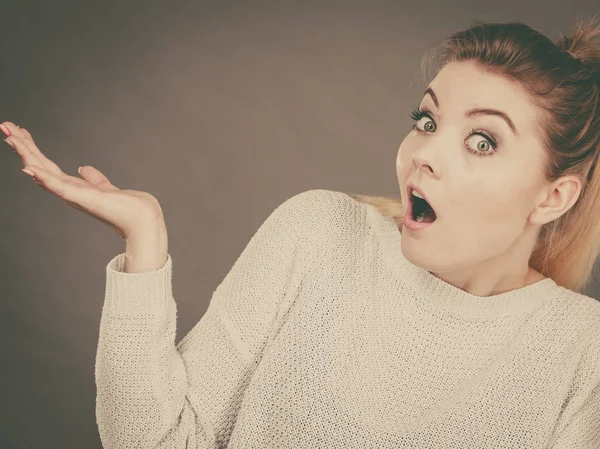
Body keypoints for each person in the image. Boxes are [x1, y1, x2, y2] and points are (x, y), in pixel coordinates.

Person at [4, 15, 600, 449]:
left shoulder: (582, 353)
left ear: (553, 197)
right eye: (427, 120)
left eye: (482, 141)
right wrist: (145, 238)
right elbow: (156, 441)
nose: (425, 155)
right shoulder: (319, 235)